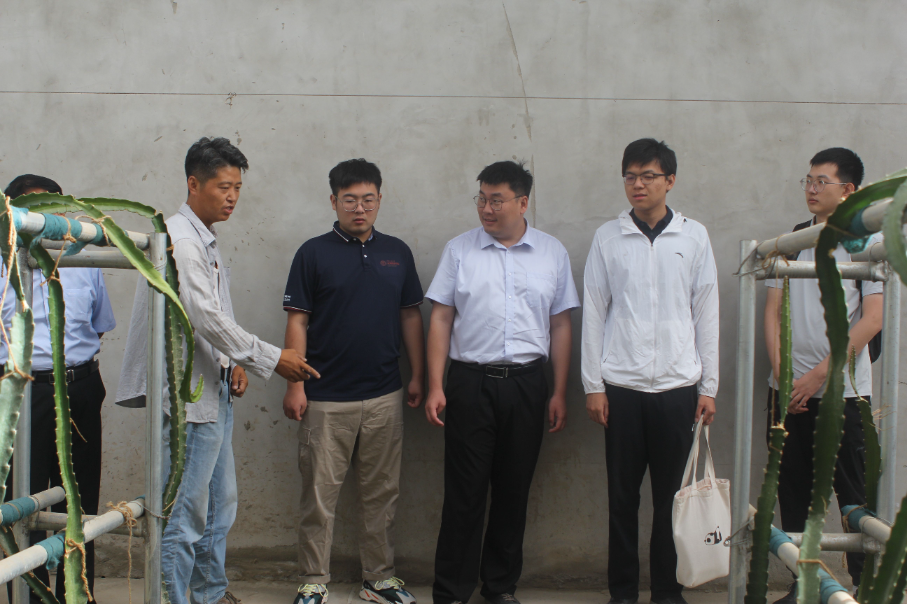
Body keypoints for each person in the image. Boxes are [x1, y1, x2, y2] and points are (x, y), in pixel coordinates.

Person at [115, 137, 318, 604]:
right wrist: (270, 358)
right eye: (223, 187)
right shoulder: (183, 241)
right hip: (189, 399)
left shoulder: (202, 237)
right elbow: (205, 316)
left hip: (212, 390)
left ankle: (209, 593)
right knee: (185, 512)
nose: (232, 197)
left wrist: (233, 362)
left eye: (238, 188)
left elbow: (208, 318)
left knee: (218, 505)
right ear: (194, 183)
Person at [424, 160, 579, 604]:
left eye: (496, 200)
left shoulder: (551, 252)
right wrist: (436, 385)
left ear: (522, 202)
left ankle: (500, 587)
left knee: (514, 491)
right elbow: (441, 318)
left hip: (528, 384)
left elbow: (561, 325)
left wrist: (558, 391)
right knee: (464, 492)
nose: (486, 209)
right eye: (481, 199)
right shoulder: (459, 250)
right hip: (470, 383)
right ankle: (452, 591)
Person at [581, 138, 719, 604]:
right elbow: (594, 312)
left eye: (648, 176)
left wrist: (709, 386)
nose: (637, 185)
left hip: (678, 389)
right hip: (621, 388)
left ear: (670, 181)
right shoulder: (609, 237)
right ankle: (622, 593)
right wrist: (593, 385)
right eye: (630, 176)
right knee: (622, 499)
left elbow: (707, 312)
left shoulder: (693, 236)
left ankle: (666, 591)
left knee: (671, 501)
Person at [282, 158, 424, 604]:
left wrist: (418, 375)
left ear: (379, 199)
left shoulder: (397, 252)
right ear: (333, 201)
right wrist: (295, 384)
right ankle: (313, 580)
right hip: (325, 398)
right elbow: (298, 321)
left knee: (382, 494)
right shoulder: (312, 253)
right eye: (349, 200)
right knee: (319, 498)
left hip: (385, 394)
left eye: (367, 199)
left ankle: (378, 579)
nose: (359, 209)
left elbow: (410, 316)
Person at [763, 148, 880, 603]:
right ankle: (804, 587)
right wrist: (783, 376)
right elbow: (772, 312)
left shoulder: (865, 244)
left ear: (848, 191)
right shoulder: (792, 241)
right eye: (808, 180)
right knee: (792, 494)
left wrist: (816, 378)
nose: (811, 189)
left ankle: (863, 588)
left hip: (844, 395)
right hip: (788, 394)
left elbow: (872, 320)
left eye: (821, 182)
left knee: (854, 498)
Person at [1, 175, 116, 604]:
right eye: (32, 210)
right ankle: (32, 596)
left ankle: (77, 594)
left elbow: (98, 327)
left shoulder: (83, 260)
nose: (43, 219)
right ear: (12, 216)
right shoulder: (1, 264)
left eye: (52, 209)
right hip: (23, 394)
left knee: (81, 502)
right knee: (25, 504)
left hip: (80, 389)